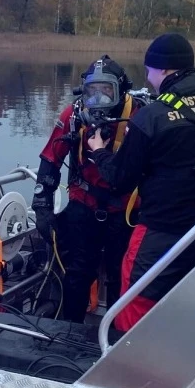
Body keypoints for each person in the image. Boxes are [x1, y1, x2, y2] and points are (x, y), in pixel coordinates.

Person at [86, 33, 195, 331]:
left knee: (134, 298)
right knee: (186, 297)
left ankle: (122, 362)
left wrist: (99, 151)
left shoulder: (152, 117)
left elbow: (119, 178)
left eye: (149, 70)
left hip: (160, 231)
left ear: (164, 70)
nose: (148, 77)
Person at [32, 55, 146, 323]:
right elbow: (50, 160)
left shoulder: (140, 116)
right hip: (84, 206)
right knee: (77, 273)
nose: (99, 100)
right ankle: (70, 333)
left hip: (125, 211)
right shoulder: (73, 116)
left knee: (122, 275)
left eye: (107, 92)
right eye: (92, 92)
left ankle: (117, 336)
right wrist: (42, 206)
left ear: (121, 91)